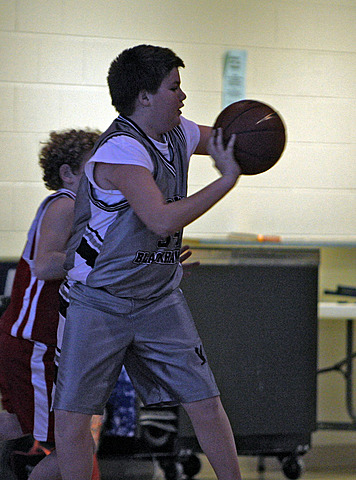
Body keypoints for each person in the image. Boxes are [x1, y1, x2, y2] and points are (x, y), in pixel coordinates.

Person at [53, 44, 243, 480]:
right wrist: (227, 180)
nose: (183, 96)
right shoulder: (122, 149)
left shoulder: (180, 132)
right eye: (174, 87)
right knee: (73, 420)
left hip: (157, 297)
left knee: (205, 400)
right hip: (99, 301)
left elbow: (233, 141)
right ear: (144, 97)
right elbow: (159, 219)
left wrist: (258, 141)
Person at [0, 128, 101, 480]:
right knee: (74, 445)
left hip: (27, 339)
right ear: (68, 173)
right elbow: (44, 266)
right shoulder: (65, 204)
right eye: (94, 166)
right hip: (33, 343)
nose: (104, 174)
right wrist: (97, 256)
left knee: (13, 424)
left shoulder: (78, 208)